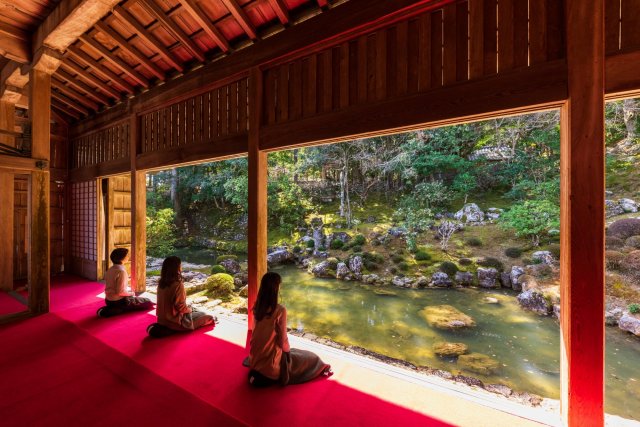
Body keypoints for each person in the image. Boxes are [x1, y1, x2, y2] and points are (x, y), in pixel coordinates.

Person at [248, 272, 332, 387]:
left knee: (295, 353)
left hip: (254, 361)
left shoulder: (257, 307)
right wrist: (287, 354)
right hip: (271, 369)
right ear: (276, 288)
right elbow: (283, 342)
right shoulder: (279, 310)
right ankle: (322, 366)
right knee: (311, 358)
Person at [154, 256, 215, 332]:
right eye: (180, 265)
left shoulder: (161, 283)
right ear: (176, 268)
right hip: (175, 322)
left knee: (195, 311)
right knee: (208, 317)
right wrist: (189, 310)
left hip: (161, 320)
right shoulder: (177, 284)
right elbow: (181, 307)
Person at [98, 248, 154, 317]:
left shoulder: (111, 269)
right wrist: (132, 293)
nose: (128, 257)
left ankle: (111, 309)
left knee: (141, 300)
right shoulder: (121, 271)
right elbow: (120, 292)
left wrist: (127, 280)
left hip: (108, 300)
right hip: (119, 302)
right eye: (127, 255)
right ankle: (114, 310)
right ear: (122, 258)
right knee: (147, 302)